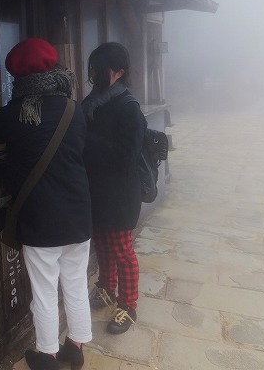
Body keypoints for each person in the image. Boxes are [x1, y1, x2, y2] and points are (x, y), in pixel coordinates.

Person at [0, 38, 92, 370]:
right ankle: (76, 347)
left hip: (40, 218)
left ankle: (47, 354)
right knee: (76, 282)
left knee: (44, 290)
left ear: (17, 77)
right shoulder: (74, 109)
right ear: (54, 69)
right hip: (79, 213)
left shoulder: (14, 113)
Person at [81, 42, 145, 335]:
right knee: (103, 242)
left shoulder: (128, 108)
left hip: (120, 194)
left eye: (99, 68)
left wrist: (87, 140)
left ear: (119, 72)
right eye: (92, 67)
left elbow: (126, 157)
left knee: (121, 249)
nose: (93, 73)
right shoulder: (94, 100)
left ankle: (128, 304)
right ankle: (106, 286)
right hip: (97, 190)